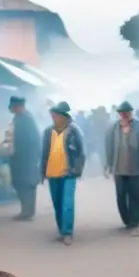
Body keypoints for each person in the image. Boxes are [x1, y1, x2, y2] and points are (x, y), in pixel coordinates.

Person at [105, 100, 139, 236]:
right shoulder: (113, 128)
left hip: (137, 168)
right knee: (121, 196)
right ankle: (127, 221)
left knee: (136, 196)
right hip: (118, 168)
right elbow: (108, 147)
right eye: (122, 113)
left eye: (126, 113)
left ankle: (135, 223)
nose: (124, 115)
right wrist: (108, 165)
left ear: (131, 113)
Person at [40, 101, 85, 245]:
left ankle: (67, 233)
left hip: (68, 172)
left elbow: (81, 153)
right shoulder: (48, 131)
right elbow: (44, 153)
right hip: (52, 172)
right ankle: (61, 230)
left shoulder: (74, 131)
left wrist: (77, 169)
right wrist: (42, 172)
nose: (54, 118)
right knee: (57, 203)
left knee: (67, 203)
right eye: (52, 115)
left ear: (64, 116)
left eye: (56, 115)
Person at [7, 95, 41, 220]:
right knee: (21, 183)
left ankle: (27, 211)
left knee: (26, 184)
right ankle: (26, 209)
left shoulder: (26, 119)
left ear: (18, 107)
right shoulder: (19, 118)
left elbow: (33, 140)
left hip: (26, 159)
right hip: (20, 158)